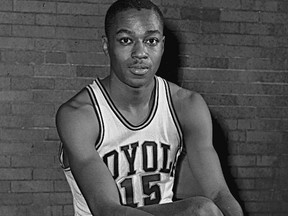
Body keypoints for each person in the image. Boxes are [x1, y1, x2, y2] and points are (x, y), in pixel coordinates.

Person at [56, 0, 244, 215]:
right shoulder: (79, 115)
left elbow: (219, 193)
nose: (140, 52)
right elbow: (107, 210)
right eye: (126, 40)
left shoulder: (187, 105)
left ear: (162, 45)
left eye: (151, 41)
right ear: (106, 45)